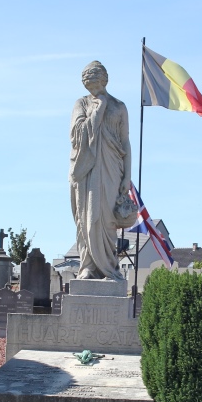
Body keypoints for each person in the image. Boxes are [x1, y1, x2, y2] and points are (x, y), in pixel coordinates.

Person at [69, 61, 131, 280]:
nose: (93, 88)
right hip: (87, 168)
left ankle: (109, 267)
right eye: (89, 83)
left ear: (105, 79)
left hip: (112, 168)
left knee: (105, 218)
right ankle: (87, 266)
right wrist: (98, 108)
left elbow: (125, 143)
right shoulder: (82, 104)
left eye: (96, 81)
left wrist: (128, 177)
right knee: (87, 217)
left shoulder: (119, 106)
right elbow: (77, 135)